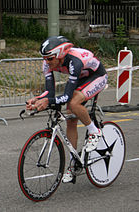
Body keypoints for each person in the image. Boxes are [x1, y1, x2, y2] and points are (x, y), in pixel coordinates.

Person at [26, 36, 108, 183]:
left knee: (73, 102)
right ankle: (73, 164)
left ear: (60, 55)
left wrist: (48, 101)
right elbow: (49, 92)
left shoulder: (74, 62)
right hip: (81, 79)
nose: (47, 62)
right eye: (44, 58)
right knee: (71, 120)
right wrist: (38, 99)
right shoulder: (48, 64)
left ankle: (94, 131)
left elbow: (65, 97)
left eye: (50, 58)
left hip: (97, 76)